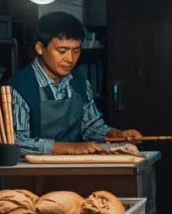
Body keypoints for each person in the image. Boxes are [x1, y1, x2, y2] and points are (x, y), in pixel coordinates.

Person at [9, 11, 142, 155]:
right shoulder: (18, 87)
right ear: (40, 48)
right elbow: (17, 142)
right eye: (62, 51)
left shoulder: (79, 83)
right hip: (31, 173)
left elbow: (91, 127)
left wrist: (118, 135)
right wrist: (69, 148)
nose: (70, 59)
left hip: (72, 168)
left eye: (76, 51)